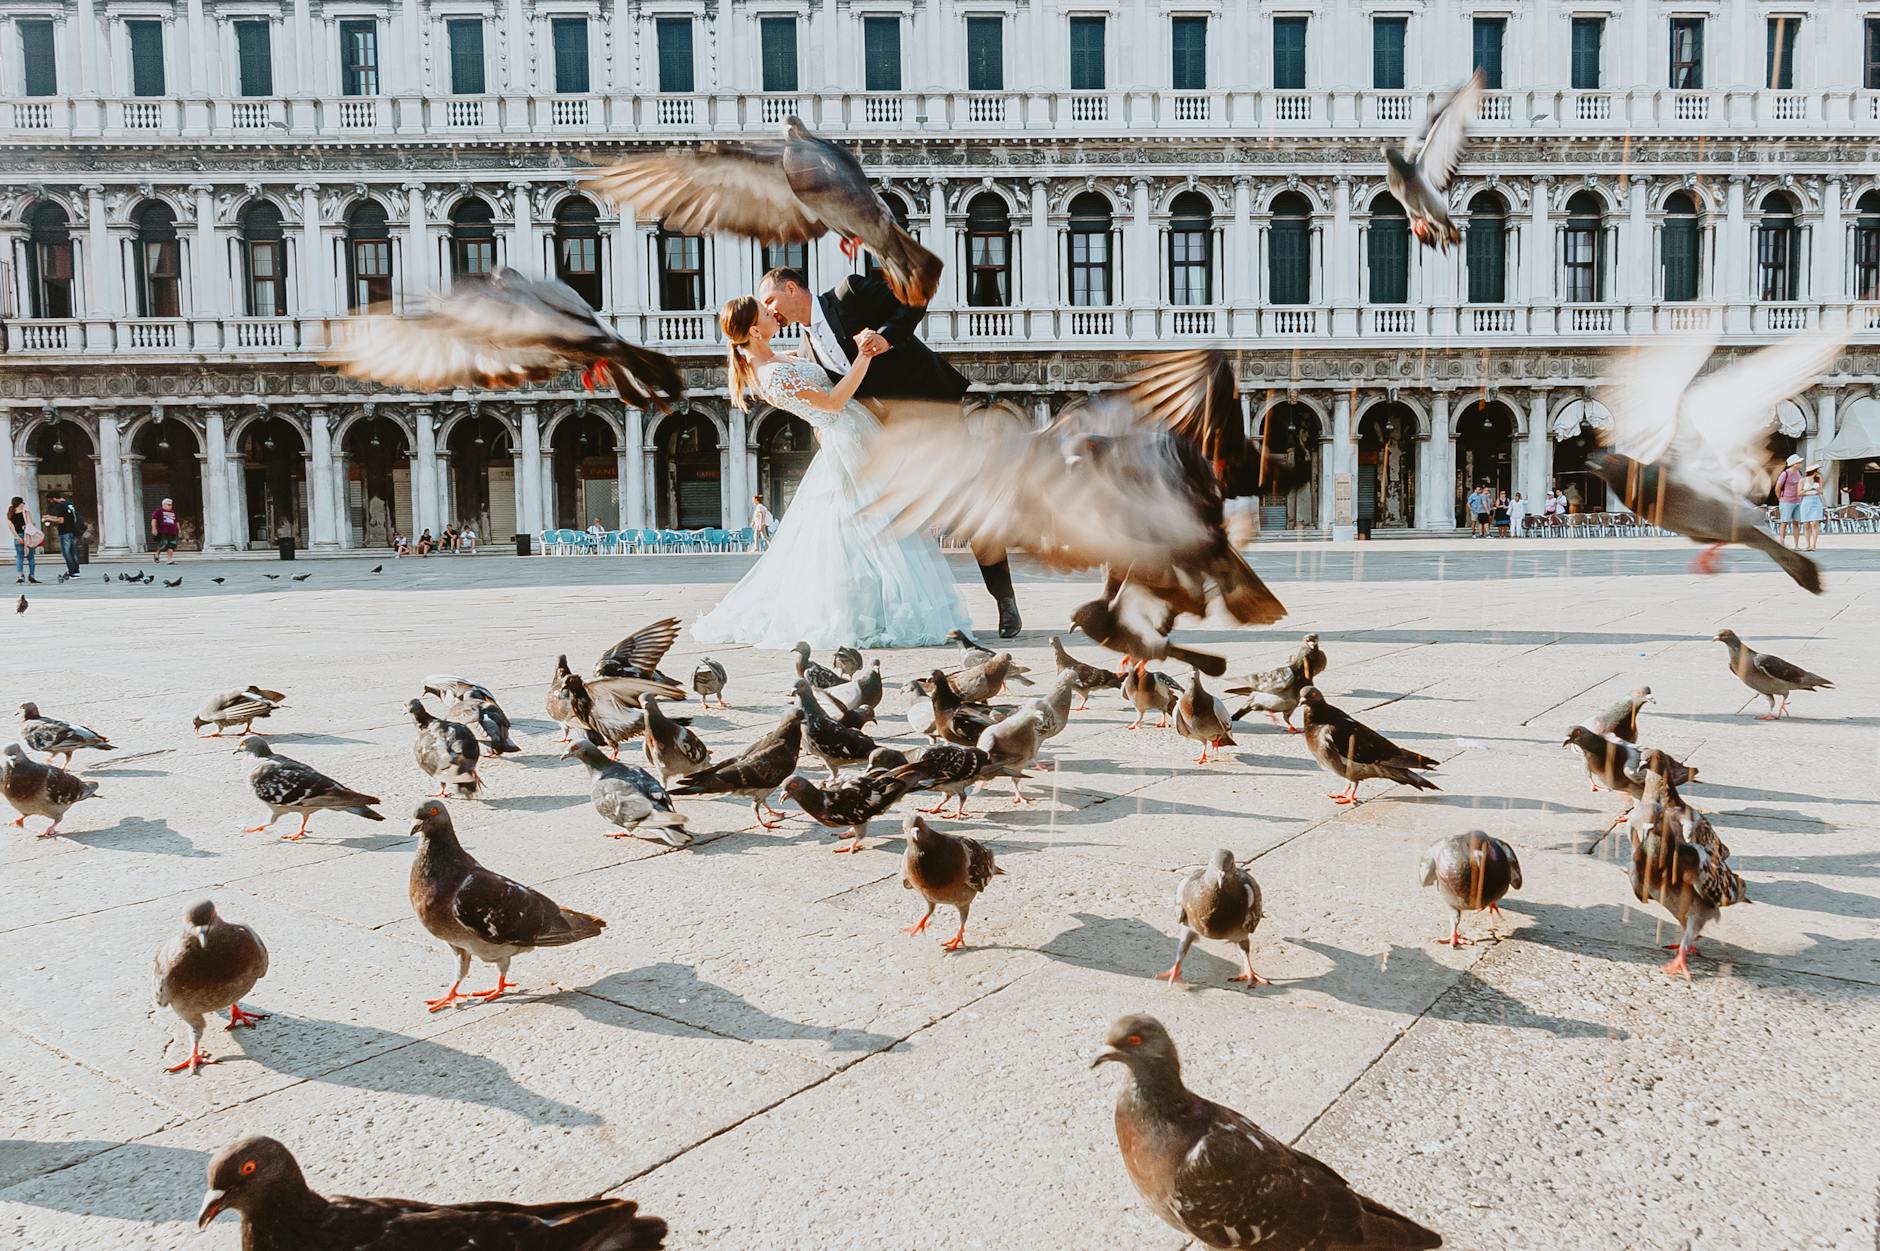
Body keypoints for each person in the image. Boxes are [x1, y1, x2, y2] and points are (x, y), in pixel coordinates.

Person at [758, 264, 1022, 638]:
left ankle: (1004, 600)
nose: (770, 310)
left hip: (928, 408)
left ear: (790, 288)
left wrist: (886, 337)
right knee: (881, 518)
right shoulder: (804, 347)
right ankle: (896, 610)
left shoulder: (850, 292)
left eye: (770, 300)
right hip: (877, 434)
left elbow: (915, 296)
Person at [692, 295, 967, 650]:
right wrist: (864, 358)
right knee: (861, 528)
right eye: (765, 312)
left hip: (855, 433)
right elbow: (832, 402)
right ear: (756, 330)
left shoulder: (777, 358)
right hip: (846, 440)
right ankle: (865, 613)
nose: (773, 313)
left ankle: (877, 609)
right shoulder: (772, 374)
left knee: (871, 525)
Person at [44, 490, 81, 580]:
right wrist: (50, 517)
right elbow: (65, 517)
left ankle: (72, 572)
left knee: (67, 553)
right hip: (72, 531)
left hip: (64, 532)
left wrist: (49, 519)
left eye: (50, 500)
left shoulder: (59, 506)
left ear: (53, 499)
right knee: (73, 553)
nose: (50, 502)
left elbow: (61, 520)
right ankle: (76, 571)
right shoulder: (68, 503)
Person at [8, 496, 40, 584]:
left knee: (19, 557)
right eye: (23, 503)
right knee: (31, 558)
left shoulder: (10, 514)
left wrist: (17, 537)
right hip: (27, 536)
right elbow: (29, 525)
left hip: (18, 537)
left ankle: (20, 575)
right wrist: (32, 524)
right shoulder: (26, 513)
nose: (24, 504)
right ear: (20, 503)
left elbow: (11, 527)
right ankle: (32, 575)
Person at [1774, 453, 1803, 548]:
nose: (1801, 463)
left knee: (1796, 523)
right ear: (1794, 464)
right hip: (1786, 501)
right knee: (1784, 522)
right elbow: (1777, 488)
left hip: (1797, 501)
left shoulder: (1799, 473)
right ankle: (1782, 544)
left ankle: (1796, 545)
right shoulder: (1785, 474)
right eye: (1799, 462)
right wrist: (1780, 498)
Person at [1798, 463, 1825, 552]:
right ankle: (1808, 545)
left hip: (1816, 501)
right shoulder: (1803, 480)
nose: (1819, 472)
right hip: (1806, 501)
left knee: (1814, 523)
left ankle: (1814, 545)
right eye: (1817, 470)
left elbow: (1821, 491)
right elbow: (1799, 493)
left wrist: (1817, 489)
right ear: (1814, 471)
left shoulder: (1819, 479)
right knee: (1806, 525)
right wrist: (1808, 490)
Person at [149, 498, 181, 562]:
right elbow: (154, 520)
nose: (170, 506)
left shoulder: (173, 512)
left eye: (171, 505)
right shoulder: (158, 511)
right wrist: (154, 529)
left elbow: (176, 521)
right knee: (163, 544)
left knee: (172, 545)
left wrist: (179, 530)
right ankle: (157, 554)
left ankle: (169, 560)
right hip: (163, 532)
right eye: (168, 505)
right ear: (163, 505)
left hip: (173, 532)